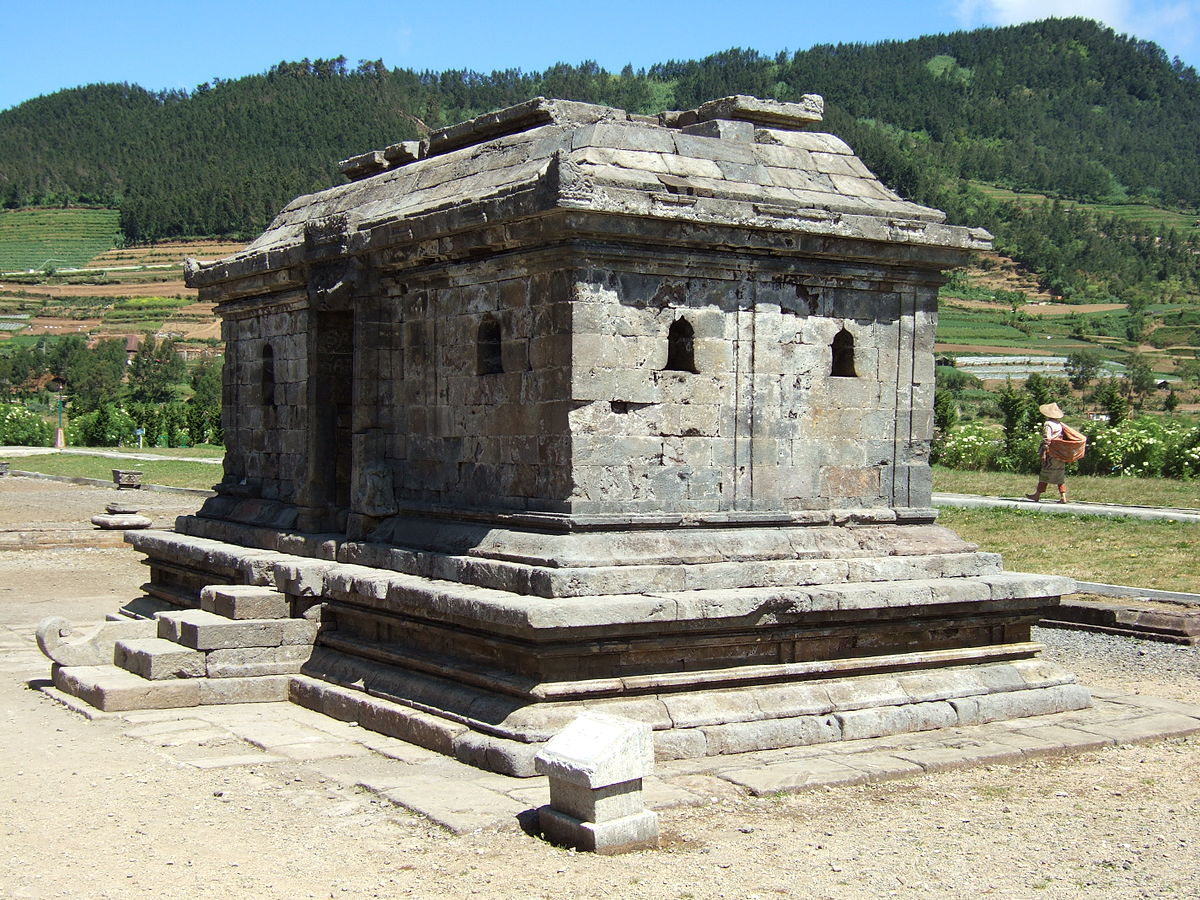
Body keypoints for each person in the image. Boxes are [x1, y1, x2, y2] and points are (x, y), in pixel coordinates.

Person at [1026, 402, 1069, 504]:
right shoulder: (1059, 424)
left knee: (1045, 472)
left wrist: (1045, 451)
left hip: (1051, 452)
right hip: (1059, 452)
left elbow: (1047, 438)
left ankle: (1037, 495)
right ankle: (1063, 496)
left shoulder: (1048, 424)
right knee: (1059, 475)